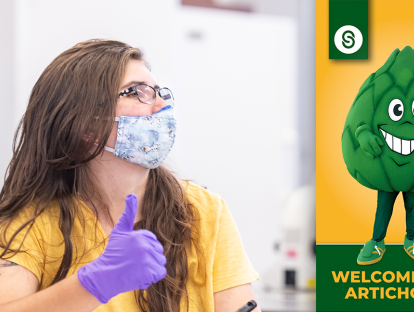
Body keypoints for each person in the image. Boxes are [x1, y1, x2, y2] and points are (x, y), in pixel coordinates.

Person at [0, 39, 260, 312]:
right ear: (85, 124)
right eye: (138, 92)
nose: (161, 107)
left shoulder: (203, 210)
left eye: (160, 93)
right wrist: (94, 284)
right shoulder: (30, 221)